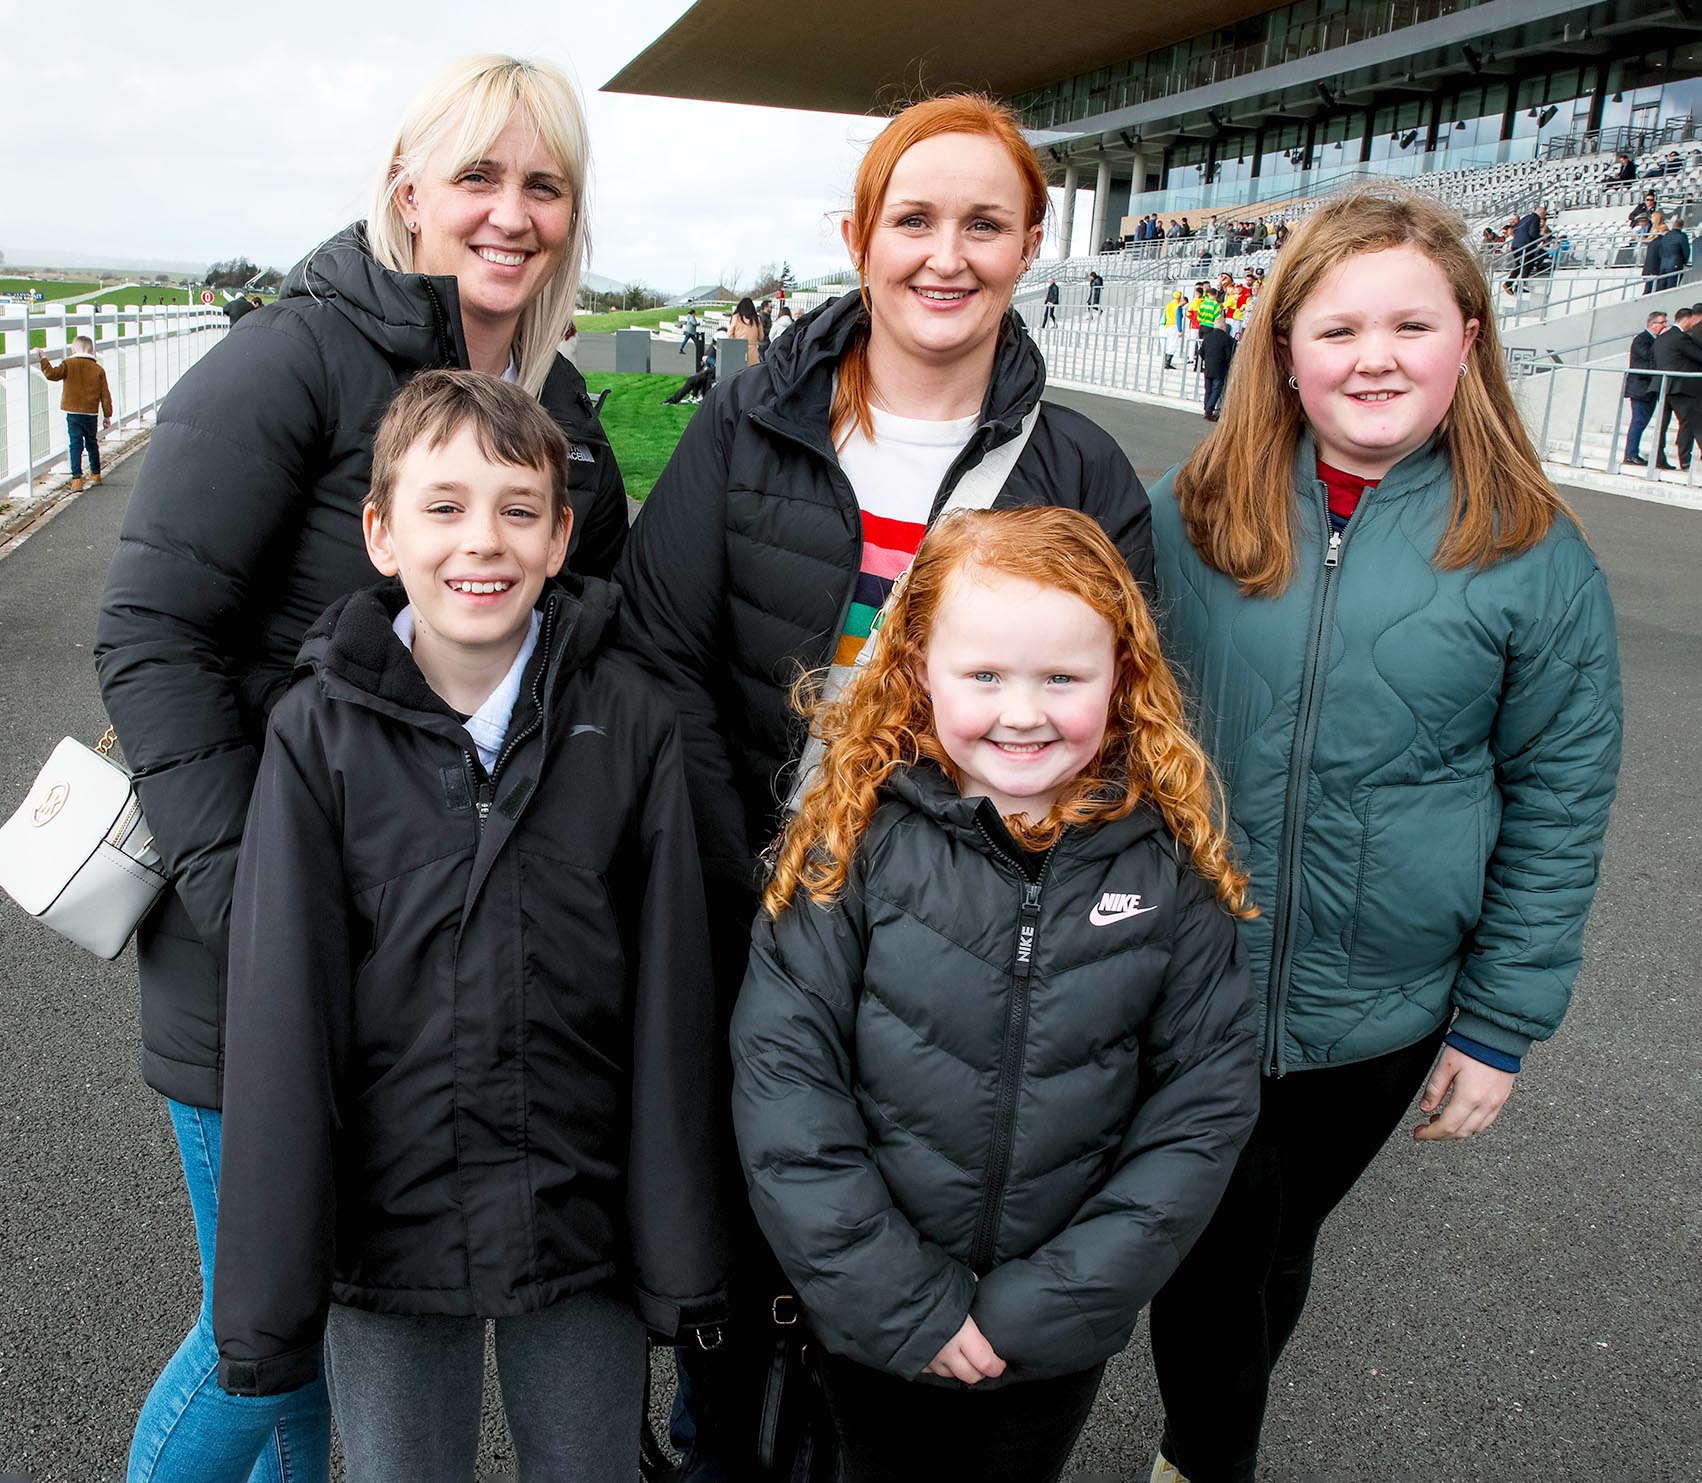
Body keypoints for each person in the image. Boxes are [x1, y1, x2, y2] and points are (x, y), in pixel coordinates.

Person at [93, 55, 627, 1483]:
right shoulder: (293, 357)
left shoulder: (559, 412)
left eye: (542, 183)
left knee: (336, 1353)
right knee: (260, 1339)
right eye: (476, 177)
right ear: (408, 193)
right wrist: (247, 891)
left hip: (446, 974)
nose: (509, 213)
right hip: (253, 956)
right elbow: (149, 632)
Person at [614, 90, 1153, 1481]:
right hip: (754, 923)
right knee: (740, 1266)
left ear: (1031, 241)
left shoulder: (1079, 468)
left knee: (893, 1269)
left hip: (960, 961)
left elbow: (1121, 723)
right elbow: (660, 669)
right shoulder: (744, 430)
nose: (944, 253)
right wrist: (762, 883)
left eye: (984, 221)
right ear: (856, 237)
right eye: (912, 218)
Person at [1145, 189, 1622, 1483]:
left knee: (1271, 1241)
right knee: (1207, 1255)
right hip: (1185, 986)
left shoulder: (1533, 551)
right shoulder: (1179, 515)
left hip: (1383, 1006)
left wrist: (1495, 1022)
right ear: (1282, 344)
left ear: (1465, 340)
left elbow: (1559, 796)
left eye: (1409, 322)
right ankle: (1203, 1461)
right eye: (1337, 324)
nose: (1372, 355)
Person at [210, 370, 725, 1478]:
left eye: (517, 509)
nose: (480, 542)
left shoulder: (629, 719)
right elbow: (280, 1021)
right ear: (381, 533)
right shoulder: (316, 735)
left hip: (581, 1218)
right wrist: (269, 1297)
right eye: (442, 506)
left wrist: (678, 1251)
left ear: (561, 537)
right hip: (385, 1225)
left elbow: (673, 994)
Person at [732, 505, 1257, 1483]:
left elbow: (1200, 1110)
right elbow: (785, 1088)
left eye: (1063, 677)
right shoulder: (849, 848)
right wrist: (903, 1297)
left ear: (1121, 677)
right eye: (985, 675)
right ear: (918, 669)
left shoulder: (1166, 869)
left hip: (1049, 1334)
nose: (1024, 712)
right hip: (874, 1311)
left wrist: (1044, 1304)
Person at [38, 336, 112, 491]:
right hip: (91, 413)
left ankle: (77, 479)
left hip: (73, 412)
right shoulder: (98, 369)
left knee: (75, 444)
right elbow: (105, 394)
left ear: (73, 350)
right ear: (92, 351)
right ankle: (96, 474)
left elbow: (52, 374)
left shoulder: (68, 364)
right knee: (92, 443)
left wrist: (43, 358)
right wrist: (107, 414)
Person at [1650, 303, 1702, 470]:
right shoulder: (1681, 338)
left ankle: (1657, 458)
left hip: (1662, 386)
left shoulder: (1662, 337)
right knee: (1687, 422)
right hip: (1679, 388)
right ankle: (1685, 461)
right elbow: (1698, 356)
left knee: (1661, 425)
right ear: (1687, 319)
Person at [1622, 309, 1667, 466]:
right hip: (1640, 388)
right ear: (1653, 324)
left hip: (1646, 389)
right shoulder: (1643, 340)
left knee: (1642, 421)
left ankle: (1632, 453)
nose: (1664, 326)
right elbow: (1646, 361)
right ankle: (1630, 454)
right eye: (1662, 323)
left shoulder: (1652, 340)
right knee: (1639, 421)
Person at [1199, 309, 1232, 420]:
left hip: (1208, 366)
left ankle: (1206, 408)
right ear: (1224, 327)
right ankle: (1209, 410)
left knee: (1208, 389)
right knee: (1216, 389)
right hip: (1220, 367)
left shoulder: (1207, 337)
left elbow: (1201, 352)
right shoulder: (1226, 339)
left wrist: (1206, 359)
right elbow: (1228, 355)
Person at [1651, 213, 1690, 292]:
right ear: (1681, 226)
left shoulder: (1666, 236)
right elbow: (1686, 251)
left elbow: (1661, 250)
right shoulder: (1682, 236)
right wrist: (1685, 262)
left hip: (1663, 264)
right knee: (1671, 287)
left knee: (1661, 286)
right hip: (1675, 264)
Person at [727, 295, 764, 366]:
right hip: (753, 352)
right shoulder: (756, 319)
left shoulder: (736, 317)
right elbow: (761, 337)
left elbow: (729, 334)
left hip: (738, 349)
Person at [1160, 288, 1184, 368]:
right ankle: (1167, 362)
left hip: (1167, 325)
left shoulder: (1168, 305)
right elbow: (1178, 318)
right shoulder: (1178, 306)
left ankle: (1165, 362)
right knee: (1173, 344)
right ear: (1180, 298)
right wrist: (1180, 329)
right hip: (1174, 326)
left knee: (1168, 343)